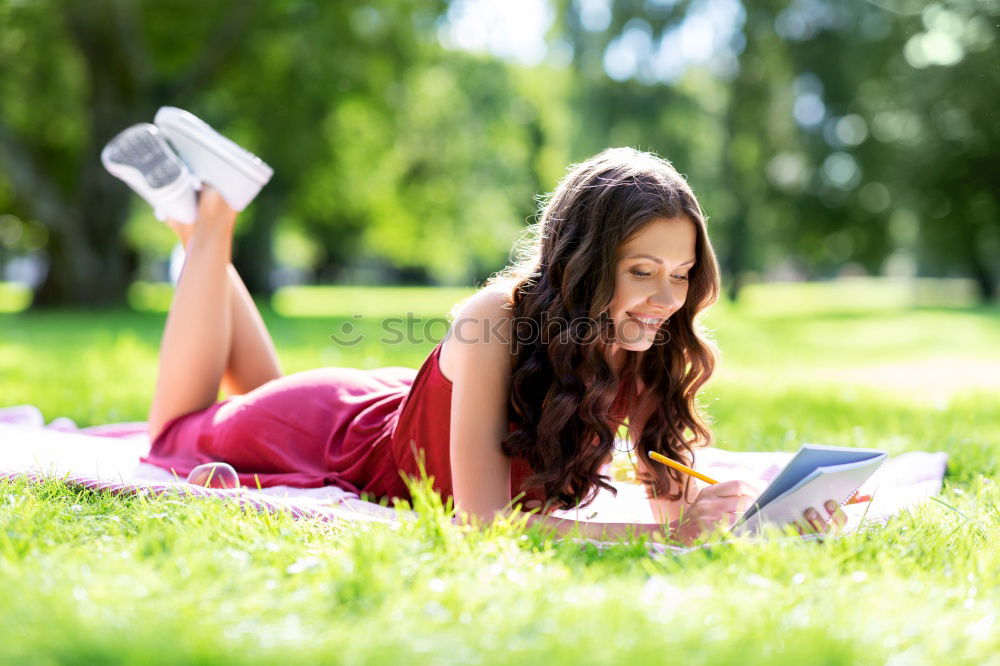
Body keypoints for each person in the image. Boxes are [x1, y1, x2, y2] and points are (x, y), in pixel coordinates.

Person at [103, 113, 845, 544]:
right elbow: (481, 525)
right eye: (640, 270)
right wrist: (661, 540)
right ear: (585, 261)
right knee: (174, 434)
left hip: (378, 414)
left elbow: (672, 507)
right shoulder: (491, 319)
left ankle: (186, 208)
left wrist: (757, 518)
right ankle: (216, 212)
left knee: (251, 391)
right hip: (329, 431)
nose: (665, 297)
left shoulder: (643, 345)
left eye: (680, 274)